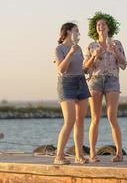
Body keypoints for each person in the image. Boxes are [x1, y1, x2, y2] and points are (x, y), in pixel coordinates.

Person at [83, 12, 127, 162]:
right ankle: (93, 154)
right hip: (95, 80)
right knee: (95, 118)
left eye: (103, 24)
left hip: (112, 80)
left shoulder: (117, 44)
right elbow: (85, 68)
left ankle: (119, 153)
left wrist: (115, 52)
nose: (100, 26)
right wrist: (94, 56)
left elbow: (124, 64)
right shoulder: (91, 45)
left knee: (111, 117)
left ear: (109, 27)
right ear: (96, 28)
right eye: (98, 25)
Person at [53, 22, 90, 165]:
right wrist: (70, 52)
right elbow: (61, 69)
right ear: (68, 32)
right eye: (76, 31)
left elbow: (81, 68)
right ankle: (59, 156)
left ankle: (79, 155)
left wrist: (89, 67)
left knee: (80, 121)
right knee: (69, 121)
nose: (78, 34)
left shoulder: (79, 48)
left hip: (81, 82)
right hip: (66, 83)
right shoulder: (59, 49)